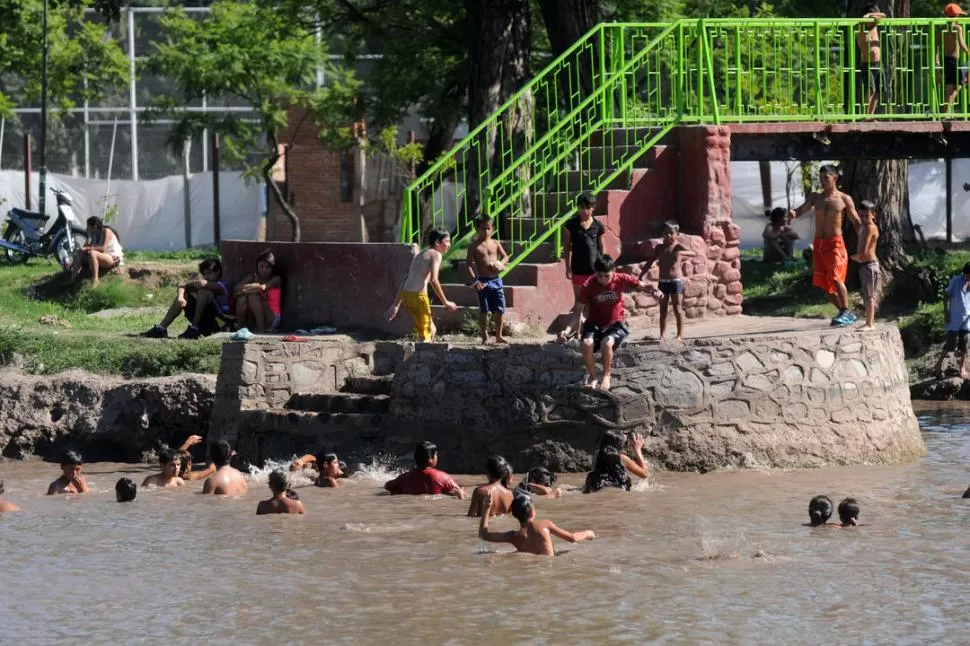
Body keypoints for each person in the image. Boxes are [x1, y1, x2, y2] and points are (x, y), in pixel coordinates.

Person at [557, 255, 656, 392]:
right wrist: (567, 331)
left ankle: (606, 375)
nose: (603, 280)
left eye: (606, 276)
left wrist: (655, 291)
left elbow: (644, 286)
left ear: (613, 271)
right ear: (595, 273)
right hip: (594, 323)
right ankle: (593, 377)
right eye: (599, 276)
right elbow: (578, 311)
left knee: (607, 342)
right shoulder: (588, 284)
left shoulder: (621, 278)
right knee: (586, 343)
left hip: (615, 323)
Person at [790, 164, 861, 326]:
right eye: (820, 178)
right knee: (825, 285)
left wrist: (865, 244)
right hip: (819, 245)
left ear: (834, 178)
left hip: (835, 244)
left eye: (826, 178)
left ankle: (844, 311)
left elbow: (856, 222)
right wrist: (793, 213)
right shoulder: (816, 198)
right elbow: (801, 210)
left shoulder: (844, 199)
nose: (822, 181)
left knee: (836, 278)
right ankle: (846, 312)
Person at [386, 228, 459, 342]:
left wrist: (396, 305)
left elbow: (405, 280)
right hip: (418, 297)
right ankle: (418, 357)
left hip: (407, 296)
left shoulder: (420, 255)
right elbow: (434, 280)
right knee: (427, 335)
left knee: (431, 330)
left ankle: (422, 354)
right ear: (437, 243)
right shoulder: (436, 254)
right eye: (447, 241)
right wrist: (445, 302)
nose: (450, 244)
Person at [478, 490, 595, 556]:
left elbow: (484, 535)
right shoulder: (545, 525)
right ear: (533, 511)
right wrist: (588, 533)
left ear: (513, 515)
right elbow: (572, 538)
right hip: (549, 567)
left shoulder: (513, 536)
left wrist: (486, 508)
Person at [141, 258, 231, 339]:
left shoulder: (222, 285)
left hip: (219, 323)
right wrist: (181, 297)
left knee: (203, 292)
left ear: (218, 272)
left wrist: (186, 286)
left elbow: (202, 284)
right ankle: (161, 328)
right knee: (185, 294)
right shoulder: (204, 284)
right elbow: (183, 287)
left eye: (209, 273)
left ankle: (194, 328)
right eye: (204, 274)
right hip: (205, 321)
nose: (206, 276)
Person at [562, 192, 606, 337]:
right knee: (578, 302)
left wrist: (603, 267)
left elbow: (601, 248)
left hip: (594, 270)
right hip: (577, 269)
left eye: (587, 207)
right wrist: (567, 267)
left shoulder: (598, 226)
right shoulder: (571, 225)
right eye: (581, 207)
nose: (584, 211)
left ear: (593, 208)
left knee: (592, 302)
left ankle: (589, 332)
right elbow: (567, 248)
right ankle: (578, 334)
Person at [466, 215, 509, 344]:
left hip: (496, 280)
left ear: (492, 229)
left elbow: (506, 256)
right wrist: (475, 280)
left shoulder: (495, 243)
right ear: (477, 229)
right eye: (483, 229)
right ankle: (485, 336)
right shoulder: (474, 246)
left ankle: (498, 335)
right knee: (484, 310)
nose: (486, 231)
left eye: (488, 228)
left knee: (499, 309)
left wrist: (500, 263)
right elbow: (468, 264)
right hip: (483, 281)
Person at [650, 221, 697, 341]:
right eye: (666, 233)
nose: (668, 235)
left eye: (671, 233)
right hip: (663, 282)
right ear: (662, 234)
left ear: (677, 234)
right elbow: (650, 261)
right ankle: (662, 335)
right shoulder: (659, 248)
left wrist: (681, 252)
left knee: (677, 307)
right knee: (663, 309)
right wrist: (641, 273)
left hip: (675, 281)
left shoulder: (677, 247)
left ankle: (679, 335)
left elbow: (693, 253)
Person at [383, 441, 466, 498]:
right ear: (430, 458)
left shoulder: (404, 478)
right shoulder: (443, 477)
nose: (437, 457)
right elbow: (461, 494)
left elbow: (387, 486)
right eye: (436, 455)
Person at [933, 262, 970, 378]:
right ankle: (938, 365)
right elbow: (945, 295)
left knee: (965, 343)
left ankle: (962, 368)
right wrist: (946, 312)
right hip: (954, 317)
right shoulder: (956, 280)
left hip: (967, 318)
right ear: (966, 273)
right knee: (950, 344)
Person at [233, 249, 282, 333]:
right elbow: (237, 287)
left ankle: (261, 329)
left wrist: (243, 292)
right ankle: (242, 328)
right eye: (261, 266)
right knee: (242, 299)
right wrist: (250, 286)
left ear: (272, 267)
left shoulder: (276, 279)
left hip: (271, 318)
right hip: (253, 318)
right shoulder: (253, 277)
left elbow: (262, 288)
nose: (264, 270)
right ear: (257, 267)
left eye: (267, 267)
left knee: (253, 295)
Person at [582, 431, 649, 493]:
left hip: (596, 488)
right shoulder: (622, 458)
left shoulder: (597, 456)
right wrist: (637, 450)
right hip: (618, 490)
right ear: (619, 445)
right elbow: (644, 475)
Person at [850, 200, 881, 329]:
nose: (863, 218)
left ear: (873, 215)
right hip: (867, 266)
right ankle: (869, 322)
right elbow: (853, 218)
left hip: (870, 265)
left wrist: (852, 257)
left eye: (866, 216)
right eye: (861, 215)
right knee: (867, 295)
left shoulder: (870, 228)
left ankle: (870, 324)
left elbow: (864, 251)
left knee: (869, 297)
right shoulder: (863, 226)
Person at [69, 216, 124, 286]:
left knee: (92, 253)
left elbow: (103, 248)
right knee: (81, 253)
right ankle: (72, 279)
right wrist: (88, 241)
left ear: (94, 226)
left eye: (88, 227)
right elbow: (84, 248)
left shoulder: (106, 231)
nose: (87, 229)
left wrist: (87, 248)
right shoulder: (93, 236)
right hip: (101, 258)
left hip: (112, 258)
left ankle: (95, 280)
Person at [855, 4, 886, 115]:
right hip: (868, 64)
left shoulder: (874, 25)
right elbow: (864, 19)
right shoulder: (861, 26)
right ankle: (867, 115)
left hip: (878, 63)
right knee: (871, 90)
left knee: (878, 90)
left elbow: (883, 15)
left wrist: (872, 15)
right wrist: (867, 16)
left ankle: (871, 114)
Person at [941, 3, 969, 111]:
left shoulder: (942, 28)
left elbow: (937, 43)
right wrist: (968, 52)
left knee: (950, 87)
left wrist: (936, 59)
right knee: (956, 86)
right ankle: (946, 110)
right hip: (953, 60)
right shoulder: (957, 28)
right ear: (956, 16)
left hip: (946, 60)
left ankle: (946, 112)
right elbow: (961, 44)